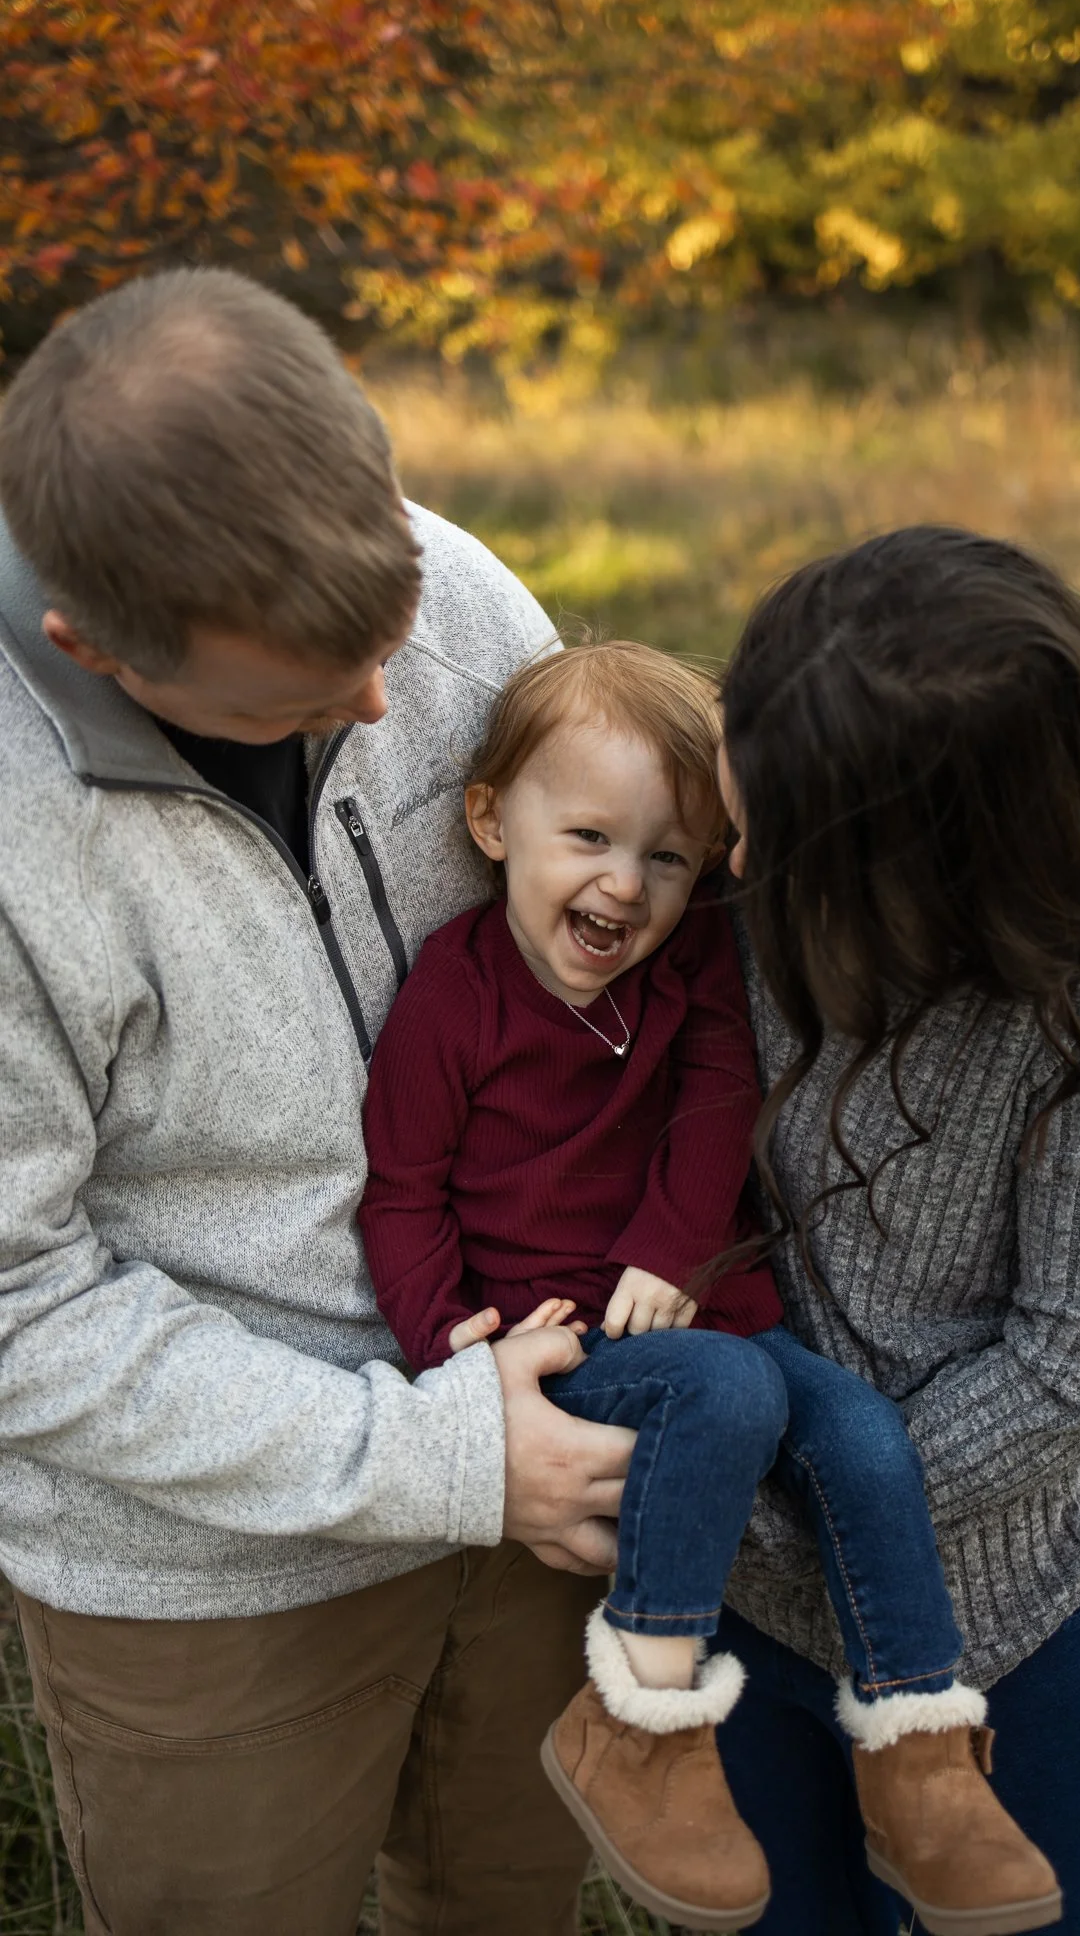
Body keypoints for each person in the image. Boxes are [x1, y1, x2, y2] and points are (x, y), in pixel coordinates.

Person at [0, 268, 637, 1936]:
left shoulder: (460, 594)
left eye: (389, 639)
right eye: (289, 701)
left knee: (507, 1901)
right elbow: (16, 1306)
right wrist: (434, 1457)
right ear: (91, 650)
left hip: (548, 1453)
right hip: (210, 1575)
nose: (375, 710)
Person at [359, 639, 1060, 1936]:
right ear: (491, 823)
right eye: (588, 837)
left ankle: (916, 1748)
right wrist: (448, 1350)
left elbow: (719, 1099)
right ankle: (639, 1715)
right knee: (728, 1393)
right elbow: (401, 1194)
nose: (625, 885)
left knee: (862, 1433)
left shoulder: (685, 972)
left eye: (669, 857)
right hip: (563, 1343)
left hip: (701, 1305)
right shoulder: (452, 1000)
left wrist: (676, 1251)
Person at [708, 526, 1080, 1936]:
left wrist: (780, 1518)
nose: (730, 820)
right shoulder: (747, 860)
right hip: (741, 1629)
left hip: (1003, 1632)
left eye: (770, 817)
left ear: (916, 861)